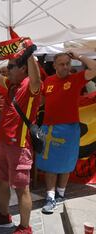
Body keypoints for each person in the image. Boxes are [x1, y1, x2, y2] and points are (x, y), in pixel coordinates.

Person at [0, 54, 41, 234]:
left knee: (22, 189)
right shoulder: (12, 85)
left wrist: (29, 54)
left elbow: (36, 77)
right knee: (1, 181)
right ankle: (4, 216)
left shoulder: (31, 84)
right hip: (4, 143)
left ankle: (25, 227)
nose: (7, 68)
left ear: (23, 68)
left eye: (11, 66)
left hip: (20, 145)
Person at [36, 52, 96, 214]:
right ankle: (50, 197)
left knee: (67, 163)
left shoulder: (76, 78)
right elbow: (41, 101)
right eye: (61, 64)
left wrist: (79, 56)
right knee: (50, 165)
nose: (65, 67)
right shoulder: (48, 81)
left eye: (67, 63)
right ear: (54, 65)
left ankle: (61, 194)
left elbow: (94, 68)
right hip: (50, 129)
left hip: (70, 129)